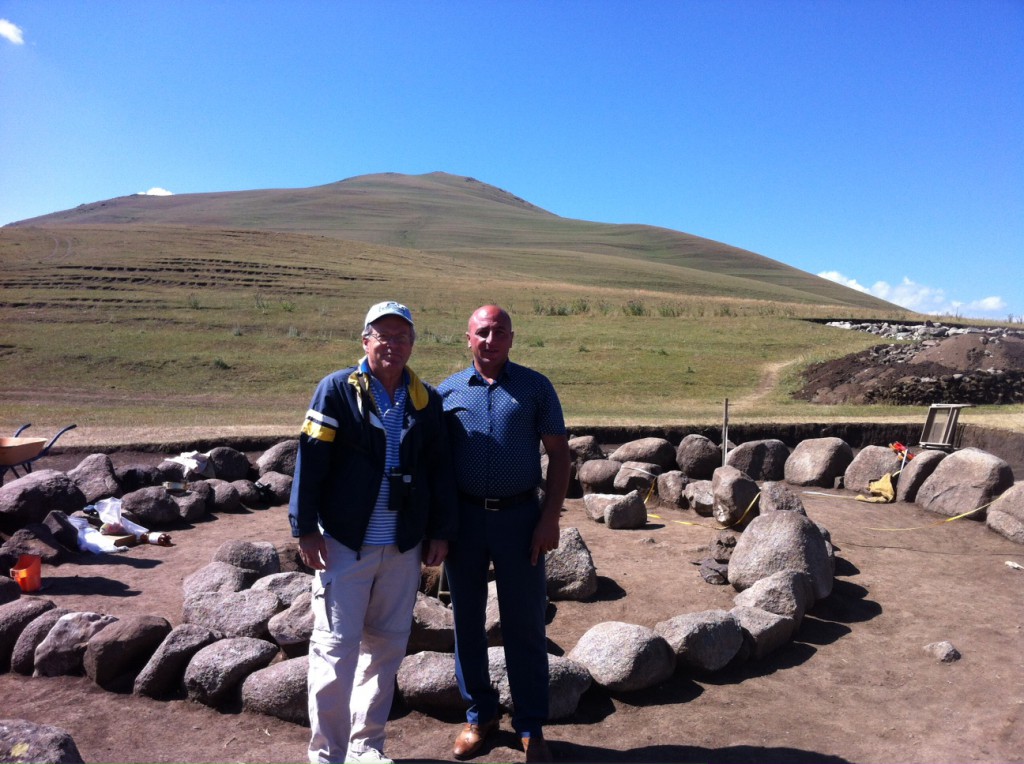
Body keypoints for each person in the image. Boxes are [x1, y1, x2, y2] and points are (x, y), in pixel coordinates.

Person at [289, 300, 457, 764]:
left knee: (385, 649)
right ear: (365, 341)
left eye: (402, 337)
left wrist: (440, 530)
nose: (392, 344)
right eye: (383, 335)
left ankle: (367, 748)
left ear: (412, 344)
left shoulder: (426, 400)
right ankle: (327, 755)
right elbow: (311, 459)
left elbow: (439, 470)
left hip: (403, 547)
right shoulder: (336, 390)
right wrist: (305, 528)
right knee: (335, 651)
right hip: (345, 544)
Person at [438, 305, 571, 763]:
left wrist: (549, 517)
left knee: (525, 623)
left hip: (521, 520)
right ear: (467, 338)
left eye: (499, 332)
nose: (490, 340)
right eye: (482, 332)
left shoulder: (535, 387)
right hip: (465, 522)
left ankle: (532, 725)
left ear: (512, 338)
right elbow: (435, 465)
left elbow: (559, 454)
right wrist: (439, 526)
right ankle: (480, 716)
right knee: (467, 623)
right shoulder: (447, 393)